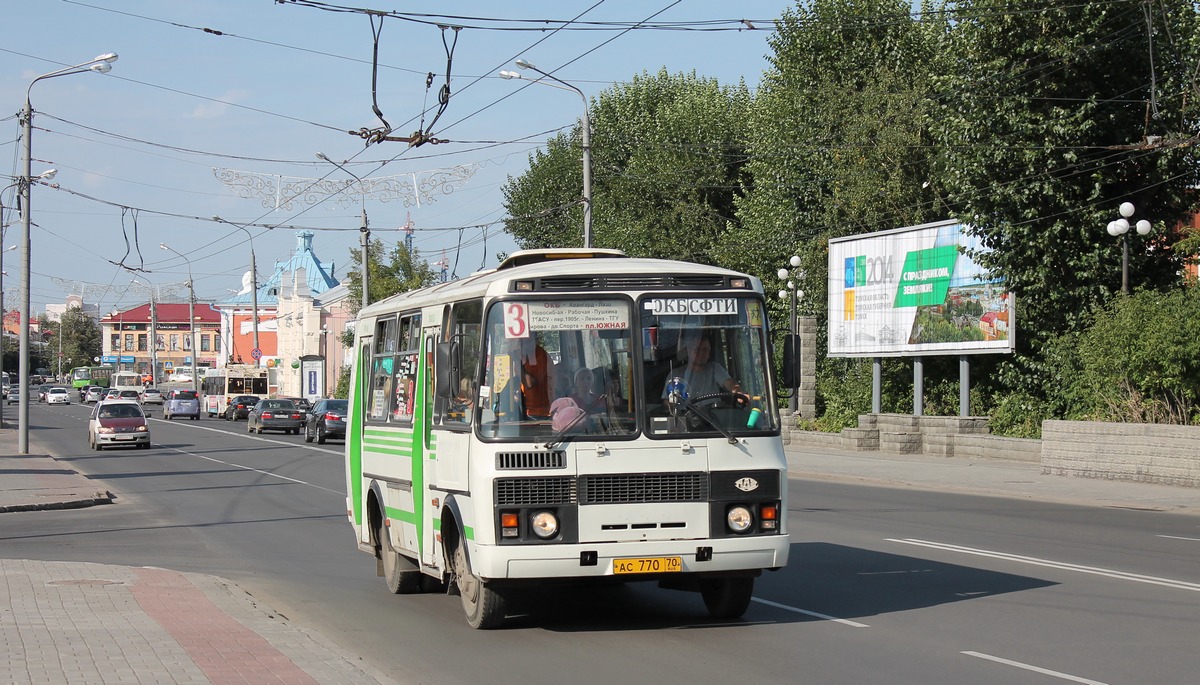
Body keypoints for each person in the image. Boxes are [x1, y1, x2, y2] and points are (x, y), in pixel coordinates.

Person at [662, 334, 742, 400]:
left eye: (705, 349)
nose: (701, 353)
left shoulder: (714, 368)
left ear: (709, 352)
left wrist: (738, 393)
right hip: (685, 416)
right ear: (689, 351)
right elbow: (667, 400)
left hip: (712, 417)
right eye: (697, 349)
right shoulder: (676, 374)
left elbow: (730, 384)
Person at [518, 336, 554, 418]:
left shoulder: (540, 355)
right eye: (522, 341)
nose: (523, 343)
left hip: (539, 412)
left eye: (527, 340)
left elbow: (529, 383)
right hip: (524, 409)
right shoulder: (524, 355)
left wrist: (517, 361)